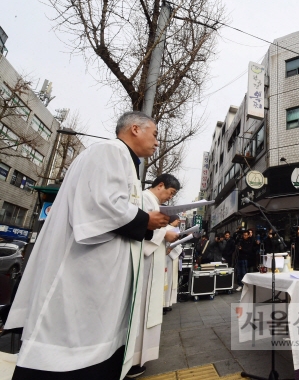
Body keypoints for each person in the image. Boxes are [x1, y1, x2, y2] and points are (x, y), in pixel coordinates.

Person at [5, 111, 169, 380]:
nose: (157, 142)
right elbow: (100, 205)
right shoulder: (110, 151)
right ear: (136, 129)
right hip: (82, 272)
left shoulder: (122, 160)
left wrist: (146, 222)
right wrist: (144, 219)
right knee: (69, 350)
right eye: (155, 134)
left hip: (99, 276)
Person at [129, 174, 180, 378]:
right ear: (160, 185)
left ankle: (139, 357)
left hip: (152, 265)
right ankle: (132, 360)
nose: (170, 197)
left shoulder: (152, 201)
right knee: (140, 312)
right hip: (144, 268)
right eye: (171, 192)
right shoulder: (143, 199)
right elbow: (141, 227)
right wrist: (165, 233)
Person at [164, 215, 182, 314]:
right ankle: (165, 303)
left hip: (171, 258)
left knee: (170, 280)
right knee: (166, 280)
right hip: (168, 257)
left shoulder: (173, 229)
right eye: (177, 220)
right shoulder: (168, 229)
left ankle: (167, 303)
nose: (178, 221)